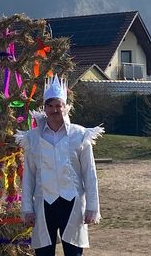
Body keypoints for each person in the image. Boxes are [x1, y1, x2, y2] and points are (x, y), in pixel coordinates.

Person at [18, 76, 103, 256]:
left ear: (65, 107)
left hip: (72, 203)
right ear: (44, 108)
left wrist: (92, 207)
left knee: (73, 252)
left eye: (58, 105)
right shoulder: (32, 138)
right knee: (43, 252)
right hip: (44, 203)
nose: (54, 109)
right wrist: (27, 208)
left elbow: (89, 173)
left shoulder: (80, 135)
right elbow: (29, 176)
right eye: (50, 106)